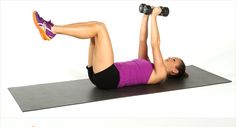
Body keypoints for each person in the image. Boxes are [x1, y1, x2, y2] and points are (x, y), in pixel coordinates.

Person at [32, 6, 186, 90]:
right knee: (95, 29)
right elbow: (142, 39)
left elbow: (155, 43)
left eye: (173, 59)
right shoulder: (148, 64)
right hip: (100, 73)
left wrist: (154, 17)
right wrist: (146, 15)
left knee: (100, 28)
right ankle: (51, 29)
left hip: (109, 77)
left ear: (174, 70)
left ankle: (52, 30)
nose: (169, 57)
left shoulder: (160, 75)